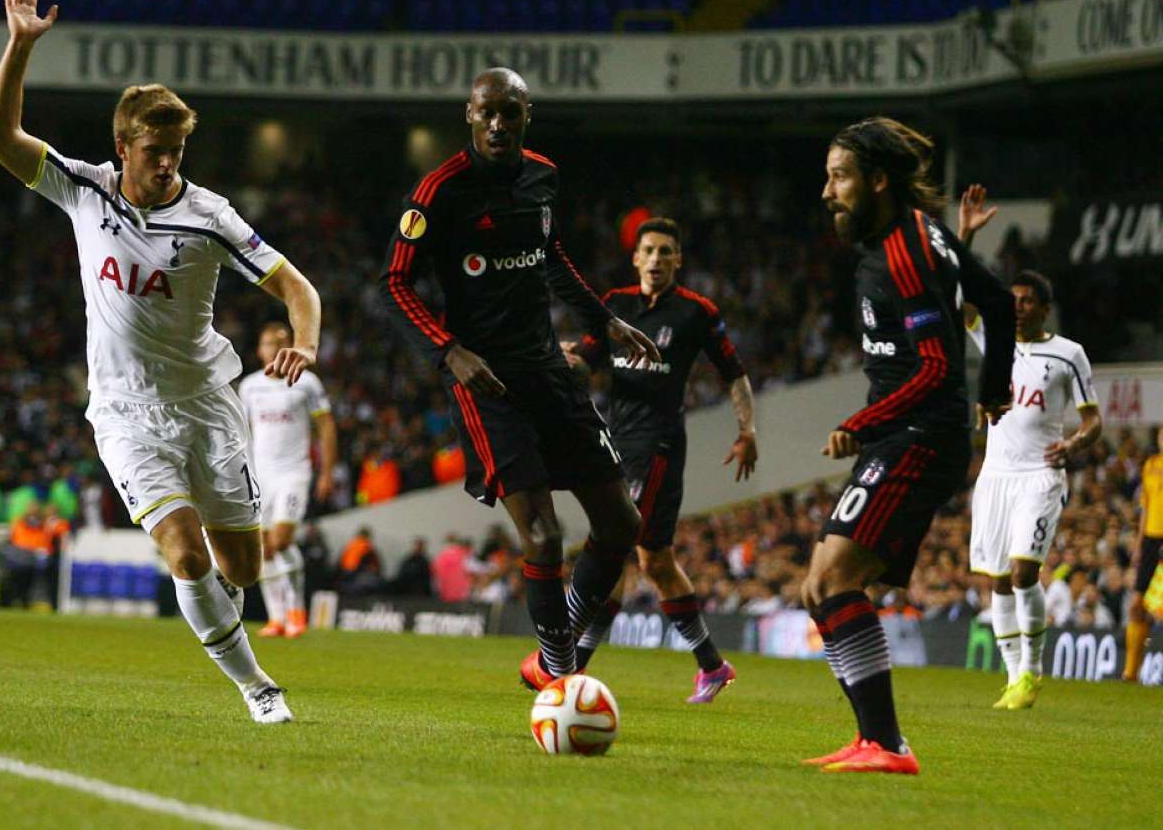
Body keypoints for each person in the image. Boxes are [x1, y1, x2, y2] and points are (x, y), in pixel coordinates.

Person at [0, 0, 323, 723]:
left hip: (206, 403)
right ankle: (258, 687)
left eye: (176, 151)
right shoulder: (84, 190)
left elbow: (299, 287)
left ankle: (224, 616)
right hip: (125, 412)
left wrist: (306, 343)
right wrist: (18, 47)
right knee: (186, 553)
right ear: (122, 148)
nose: (168, 164)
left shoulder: (211, 217)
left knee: (242, 565)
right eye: (155, 151)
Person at [379, 67, 660, 689]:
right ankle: (560, 678)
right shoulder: (438, 192)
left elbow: (549, 253)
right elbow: (394, 285)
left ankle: (560, 658)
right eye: (488, 113)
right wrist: (449, 351)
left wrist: (602, 321)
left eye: (511, 112)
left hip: (548, 370)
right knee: (542, 534)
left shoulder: (543, 176)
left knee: (621, 525)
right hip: (487, 383)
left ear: (527, 113)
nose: (499, 124)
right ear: (470, 116)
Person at [801, 117, 1015, 774]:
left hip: (917, 432)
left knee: (835, 578)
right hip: (911, 430)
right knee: (818, 587)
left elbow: (933, 371)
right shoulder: (921, 237)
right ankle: (875, 739)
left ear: (877, 180)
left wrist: (864, 423)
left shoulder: (905, 248)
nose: (827, 191)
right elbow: (999, 302)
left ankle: (888, 744)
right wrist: (995, 388)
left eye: (840, 177)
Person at [560, 216, 758, 703]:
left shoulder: (696, 312)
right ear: (635, 257)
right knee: (655, 561)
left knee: (615, 548)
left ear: (677, 261)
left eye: (665, 251)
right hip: (618, 441)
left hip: (660, 445)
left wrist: (747, 429)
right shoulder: (615, 305)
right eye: (648, 250)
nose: (655, 259)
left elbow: (734, 372)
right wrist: (568, 363)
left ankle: (567, 664)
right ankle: (712, 666)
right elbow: (589, 357)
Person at [957, 191, 1102, 708]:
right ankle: (1015, 676)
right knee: (997, 580)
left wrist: (1076, 443)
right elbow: (959, 296)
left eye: (1025, 302)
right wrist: (968, 235)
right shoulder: (994, 339)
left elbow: (1094, 421)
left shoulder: (1069, 355)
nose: (1015, 309)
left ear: (1043, 306)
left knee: (1023, 571)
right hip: (994, 475)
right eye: (1011, 301)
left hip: (1040, 474)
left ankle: (1033, 672)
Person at [239, 321, 336, 639]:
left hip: (293, 472)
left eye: (283, 343)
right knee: (264, 548)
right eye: (269, 343)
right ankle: (277, 617)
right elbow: (241, 432)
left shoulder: (307, 383)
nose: (276, 349)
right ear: (260, 349)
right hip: (260, 474)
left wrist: (326, 472)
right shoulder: (250, 386)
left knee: (282, 541)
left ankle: (297, 611)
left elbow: (326, 428)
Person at [1126, 427, 1163, 681]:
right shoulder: (1150, 465)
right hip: (1150, 540)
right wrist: (1139, 544)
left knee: (1158, 608)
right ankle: (1131, 672)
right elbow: (1146, 509)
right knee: (1137, 605)